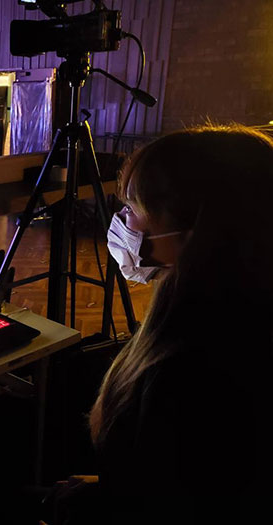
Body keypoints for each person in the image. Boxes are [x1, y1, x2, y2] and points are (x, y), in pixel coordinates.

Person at [85, 124, 273, 524]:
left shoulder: (187, 375)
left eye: (134, 208)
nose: (123, 222)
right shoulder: (239, 318)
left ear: (195, 231)